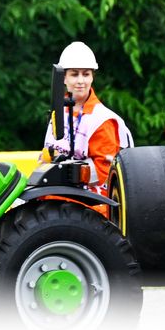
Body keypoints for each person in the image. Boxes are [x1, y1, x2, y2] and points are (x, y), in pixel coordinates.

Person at [42, 41, 133, 208]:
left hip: (91, 205)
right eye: (74, 74)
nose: (81, 81)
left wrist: (69, 172)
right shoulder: (59, 112)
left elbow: (105, 173)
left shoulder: (102, 120)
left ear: (92, 77)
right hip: (59, 197)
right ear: (63, 78)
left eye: (86, 74)